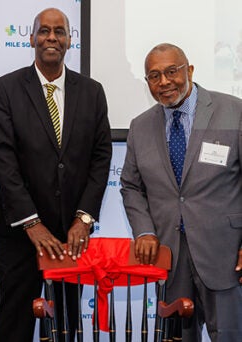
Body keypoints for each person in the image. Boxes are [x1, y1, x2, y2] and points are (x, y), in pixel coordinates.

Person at [0, 7, 112, 342]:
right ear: (31, 38)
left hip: (70, 238)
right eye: (44, 31)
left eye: (60, 32)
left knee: (66, 326)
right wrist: (32, 222)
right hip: (18, 237)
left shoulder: (92, 91)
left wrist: (83, 218)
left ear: (70, 40)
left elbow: (101, 158)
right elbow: (3, 159)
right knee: (15, 322)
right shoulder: (7, 88)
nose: (52, 38)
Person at [120, 42, 242, 342]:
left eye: (172, 72)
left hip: (224, 256)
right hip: (170, 258)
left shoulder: (233, 111)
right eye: (154, 76)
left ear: (189, 71)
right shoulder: (140, 126)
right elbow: (131, 186)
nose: (164, 82)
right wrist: (144, 232)